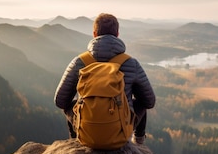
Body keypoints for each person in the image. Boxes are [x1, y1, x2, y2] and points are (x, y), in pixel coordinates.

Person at [54, 13, 156, 144]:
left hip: (86, 131)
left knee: (70, 104)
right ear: (117, 34)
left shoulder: (79, 62)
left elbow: (60, 101)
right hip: (121, 132)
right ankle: (139, 143)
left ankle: (75, 141)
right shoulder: (131, 63)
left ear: (95, 34)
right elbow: (149, 102)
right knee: (141, 102)